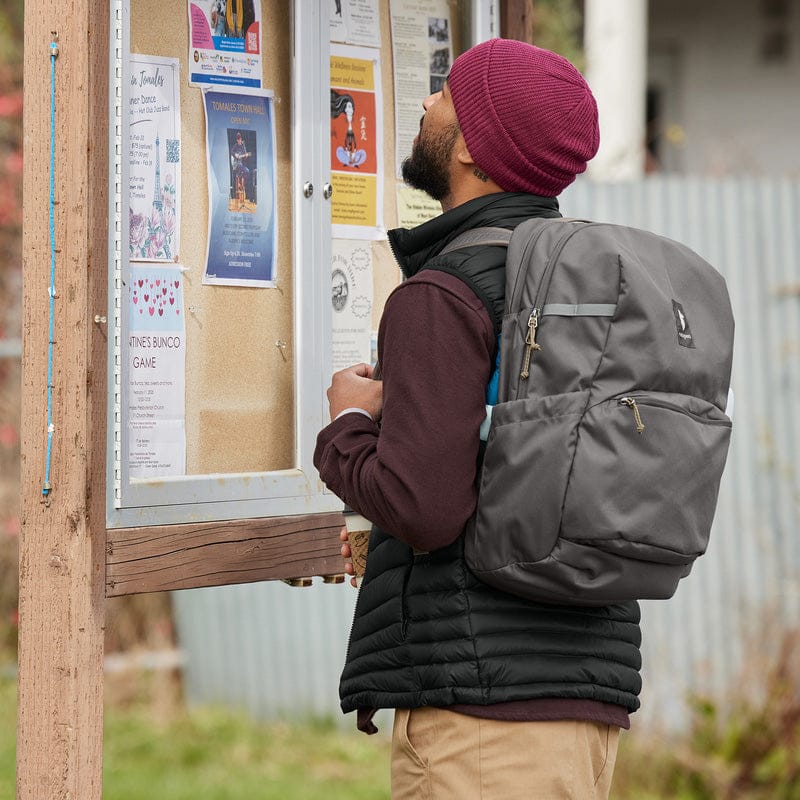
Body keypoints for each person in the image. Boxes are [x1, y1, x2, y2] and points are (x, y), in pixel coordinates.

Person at [314, 38, 642, 800]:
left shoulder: (446, 290)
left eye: (444, 96)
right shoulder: (582, 282)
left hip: (482, 723)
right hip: (582, 704)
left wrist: (348, 430)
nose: (426, 105)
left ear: (472, 147)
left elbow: (425, 509)